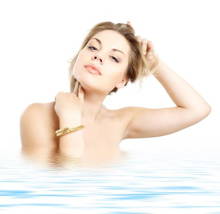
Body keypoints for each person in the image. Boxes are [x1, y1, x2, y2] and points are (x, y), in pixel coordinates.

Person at [20, 21, 211, 168]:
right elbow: (63, 182)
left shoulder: (122, 121)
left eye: (114, 57)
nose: (98, 56)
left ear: (123, 80)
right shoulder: (37, 115)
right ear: (79, 55)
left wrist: (155, 66)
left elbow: (197, 109)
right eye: (93, 47)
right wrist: (69, 117)